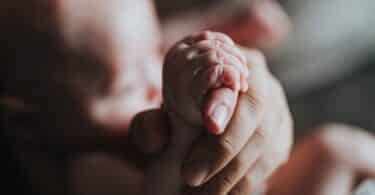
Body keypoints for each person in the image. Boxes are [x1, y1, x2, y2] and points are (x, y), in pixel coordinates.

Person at [1, 0, 293, 194]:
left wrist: (219, 35)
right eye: (127, 87)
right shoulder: (89, 168)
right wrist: (184, 125)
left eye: (157, 50)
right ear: (27, 127)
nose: (158, 82)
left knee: (334, 150)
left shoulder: (122, 54)